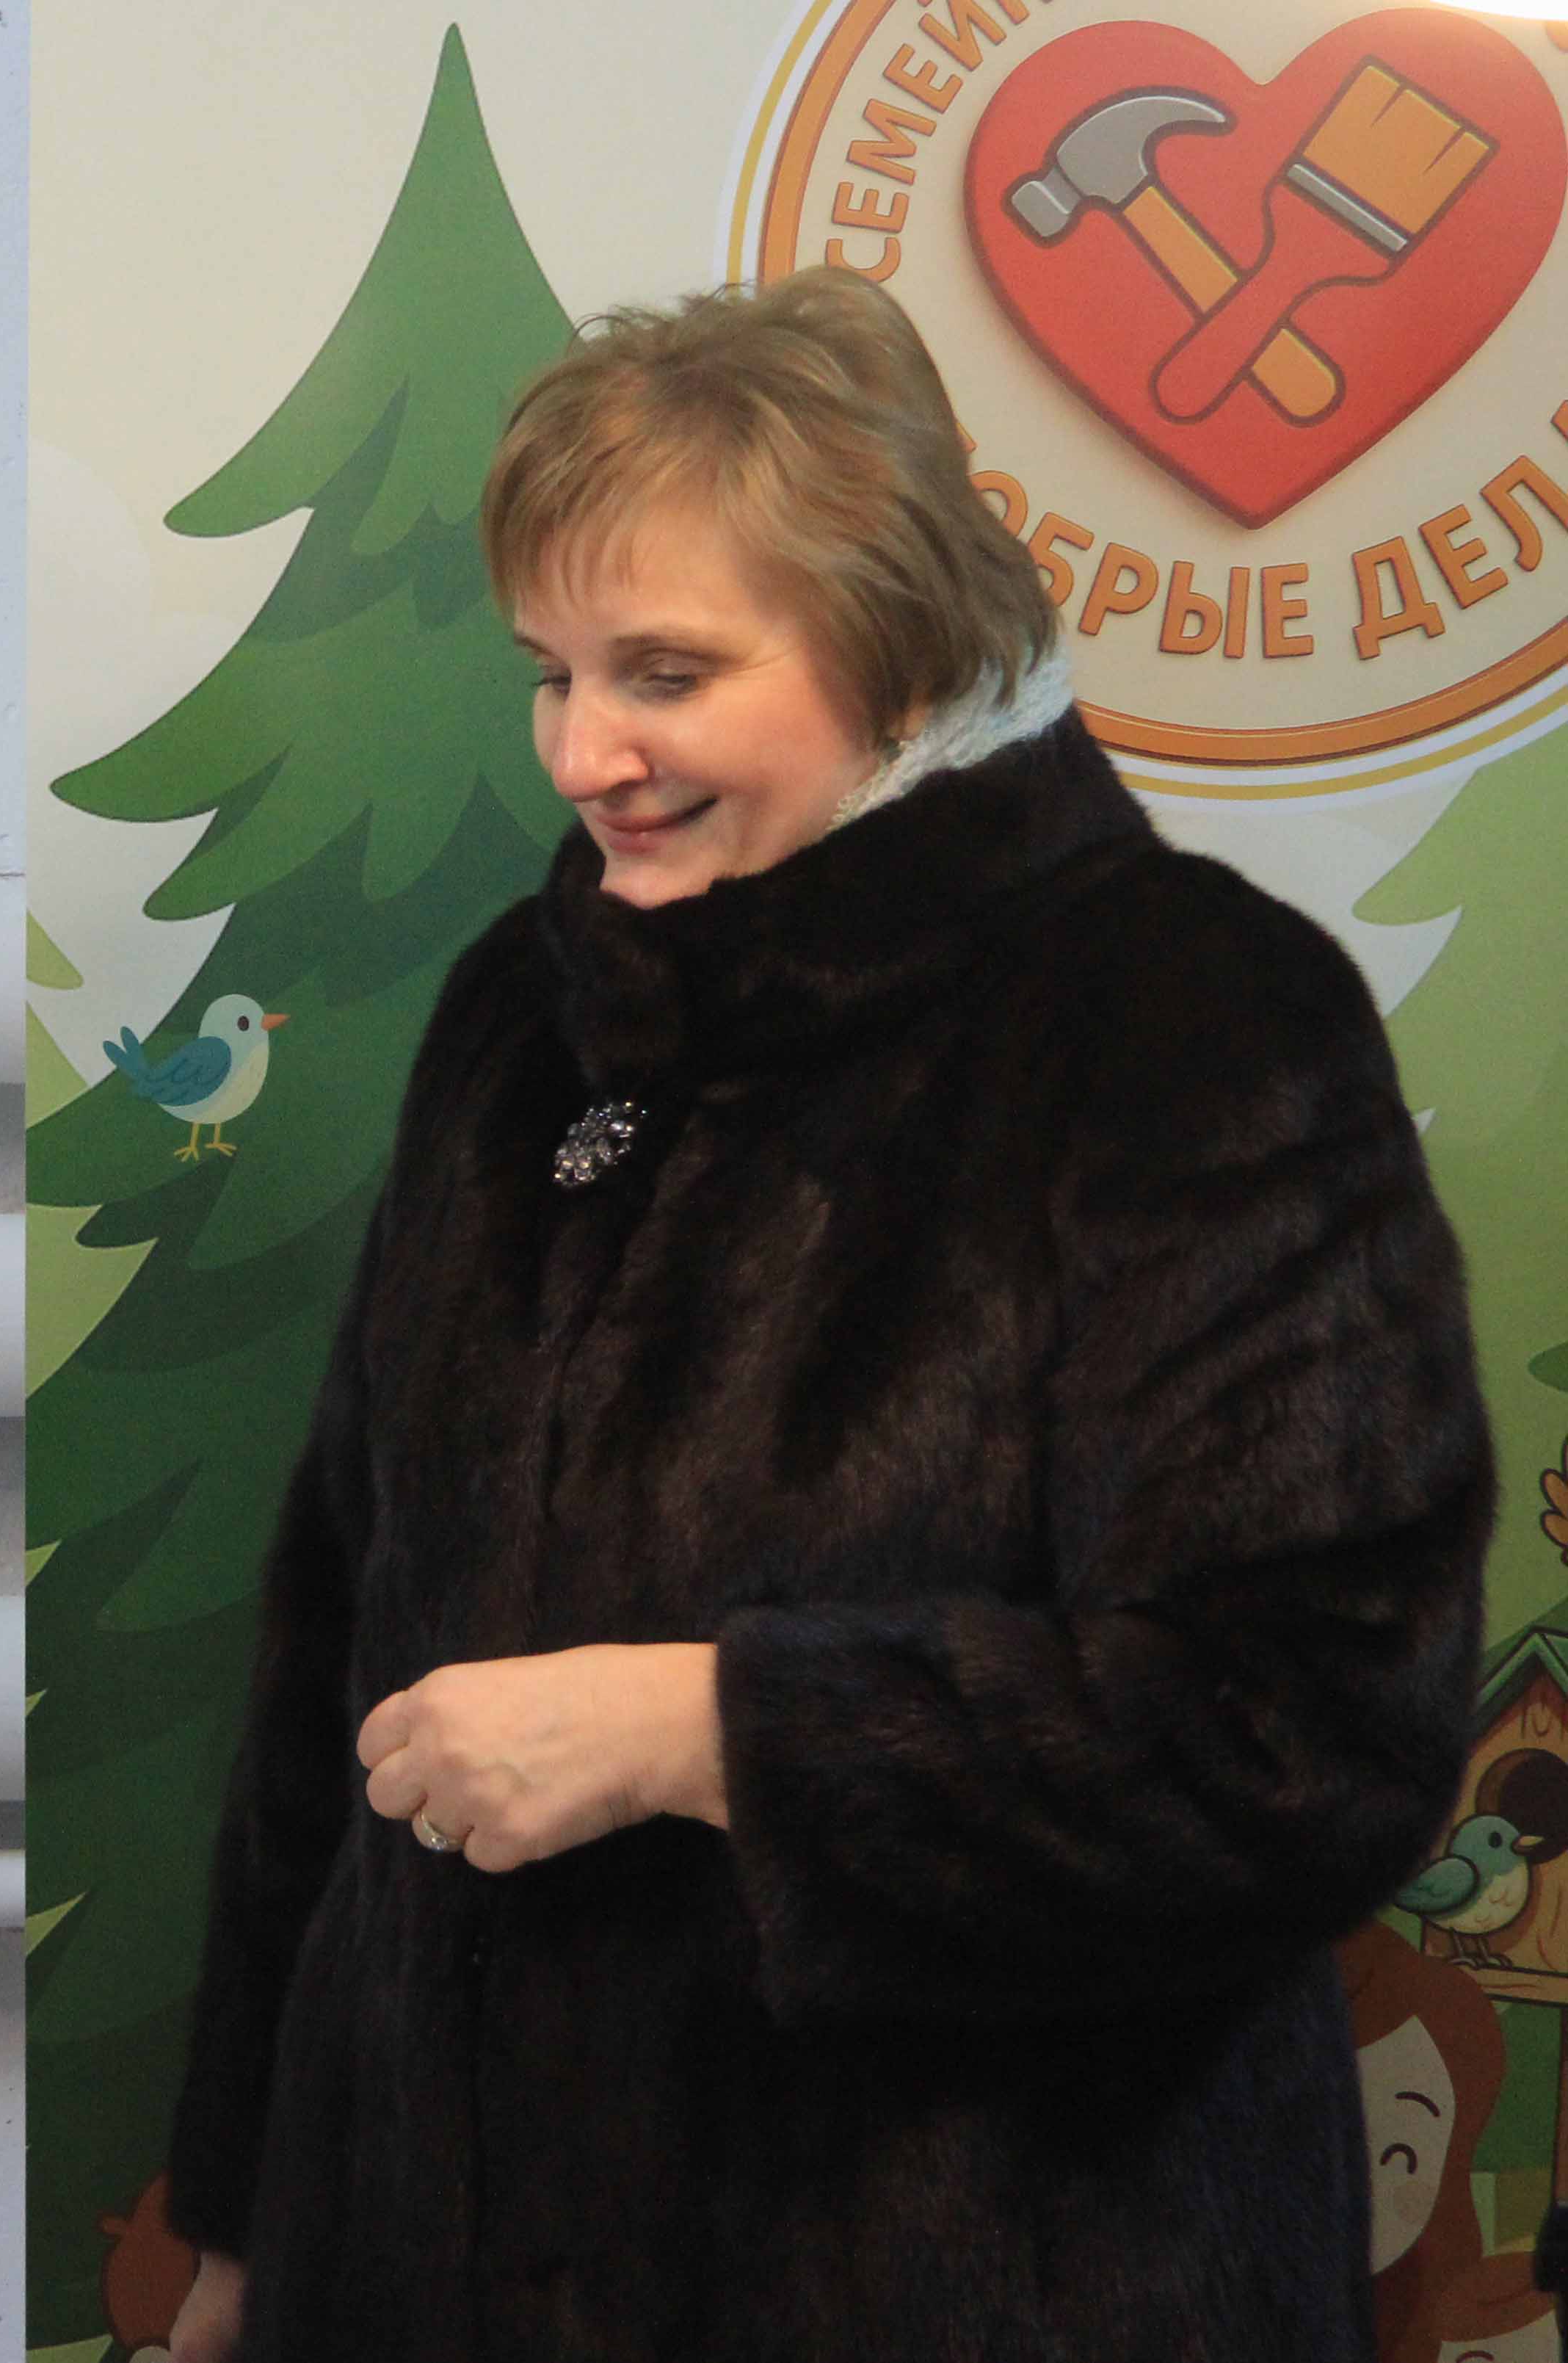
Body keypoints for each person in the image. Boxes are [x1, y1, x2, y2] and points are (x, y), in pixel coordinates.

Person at [159, 267, 1490, 2362]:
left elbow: (1305, 1729)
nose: (583, 753)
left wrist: (721, 1736)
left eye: (666, 673)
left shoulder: (1187, 1023)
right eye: (550, 673)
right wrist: (247, 2219)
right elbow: (336, 1625)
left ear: (895, 647)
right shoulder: (521, 1021)